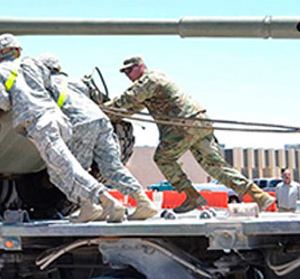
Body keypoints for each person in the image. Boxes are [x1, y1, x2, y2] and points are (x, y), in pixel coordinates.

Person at [104, 56, 276, 213]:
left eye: (129, 70)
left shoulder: (149, 80)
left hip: (183, 124)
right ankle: (259, 195)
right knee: (215, 166)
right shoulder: (154, 81)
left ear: (141, 66)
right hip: (199, 121)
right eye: (124, 72)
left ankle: (192, 196)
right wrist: (112, 112)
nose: (127, 74)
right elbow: (129, 109)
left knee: (163, 158)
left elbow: (125, 102)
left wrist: (98, 110)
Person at [0, 34, 125, 223]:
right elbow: (48, 86)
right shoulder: (33, 63)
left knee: (66, 166)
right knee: (56, 172)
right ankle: (88, 206)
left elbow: (2, 103)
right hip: (59, 119)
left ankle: (106, 199)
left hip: (38, 123)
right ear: (17, 50)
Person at [39, 54, 158, 220]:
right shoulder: (76, 82)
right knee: (112, 167)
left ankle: (90, 206)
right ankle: (143, 202)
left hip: (81, 124)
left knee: (76, 171)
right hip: (102, 121)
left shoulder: (46, 84)